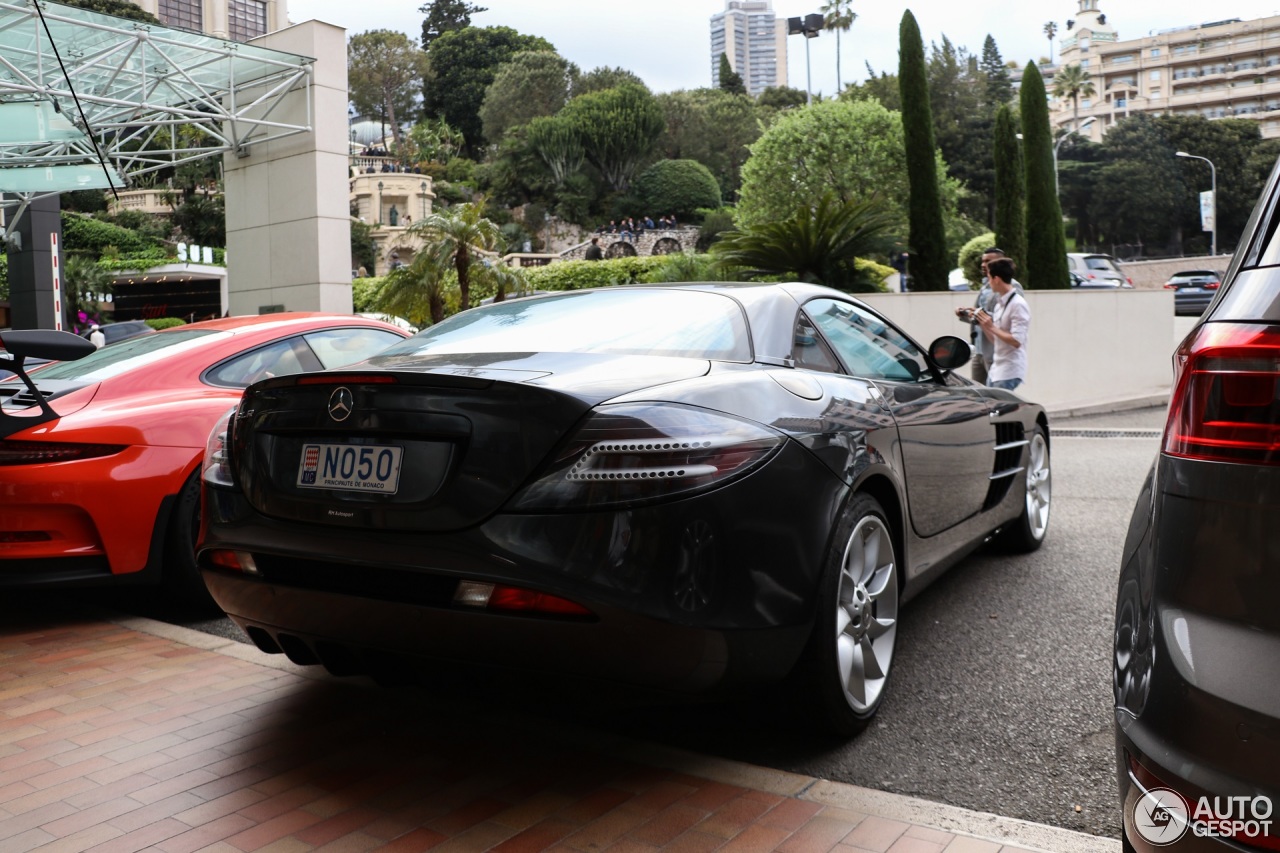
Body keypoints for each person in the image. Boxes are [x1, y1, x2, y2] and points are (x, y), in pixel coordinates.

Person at [954, 247, 1023, 385]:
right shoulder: (986, 285)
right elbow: (982, 318)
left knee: (995, 395)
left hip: (995, 351)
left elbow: (1005, 319)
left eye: (987, 261)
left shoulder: (1012, 287)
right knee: (979, 393)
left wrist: (982, 314)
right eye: (982, 261)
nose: (983, 265)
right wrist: (966, 314)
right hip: (979, 349)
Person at [975, 257, 1030, 391]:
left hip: (1010, 371)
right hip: (996, 371)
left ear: (997, 279)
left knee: (999, 410)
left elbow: (1017, 341)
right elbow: (996, 340)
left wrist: (992, 326)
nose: (988, 282)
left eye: (989, 277)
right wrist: (984, 324)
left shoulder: (1018, 304)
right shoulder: (1000, 304)